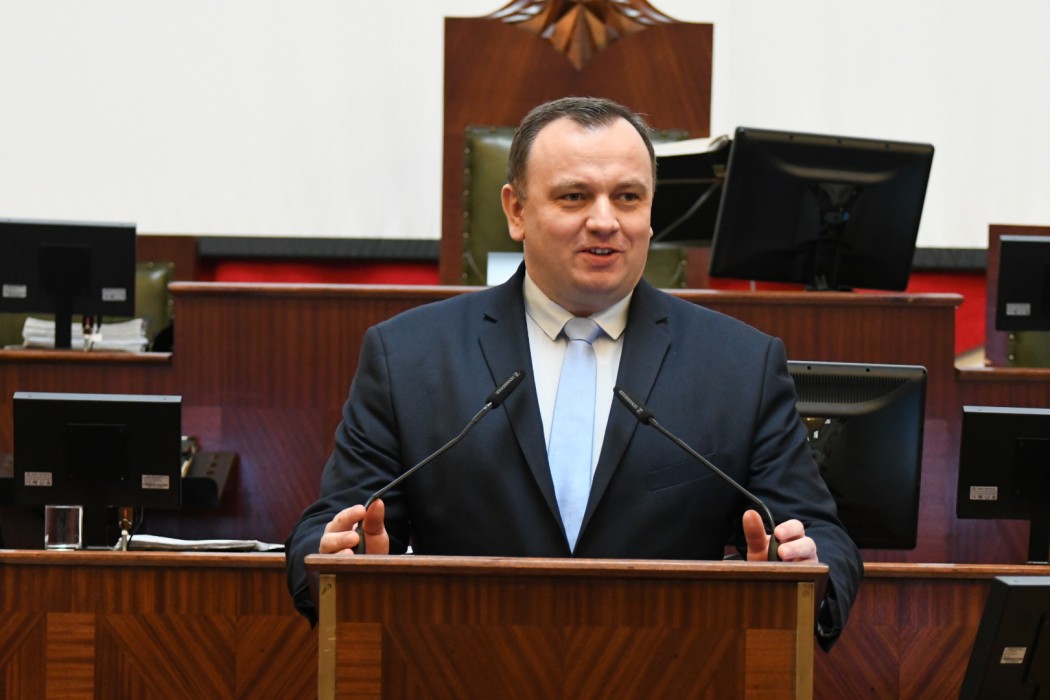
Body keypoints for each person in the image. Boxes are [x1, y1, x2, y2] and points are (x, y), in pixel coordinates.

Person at [286, 96, 862, 649]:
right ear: (516, 211)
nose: (605, 221)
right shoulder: (408, 355)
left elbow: (825, 540)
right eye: (574, 196)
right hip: (460, 663)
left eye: (628, 197)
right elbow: (324, 530)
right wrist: (338, 558)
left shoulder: (740, 364)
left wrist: (801, 568)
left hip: (674, 665)